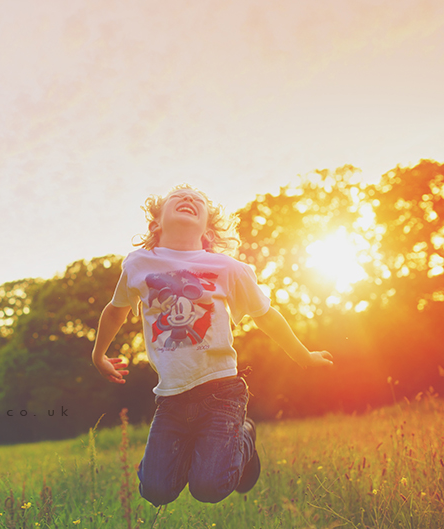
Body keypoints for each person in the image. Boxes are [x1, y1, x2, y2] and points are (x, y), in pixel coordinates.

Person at [91, 184, 333, 506]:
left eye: (198, 201)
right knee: (155, 491)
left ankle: (244, 434)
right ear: (155, 224)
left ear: (206, 232)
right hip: (171, 399)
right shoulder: (138, 264)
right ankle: (183, 458)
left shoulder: (226, 268)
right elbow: (116, 310)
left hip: (220, 392)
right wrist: (98, 354)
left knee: (208, 489)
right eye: (178, 198)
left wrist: (303, 356)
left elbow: (267, 316)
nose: (189, 199)